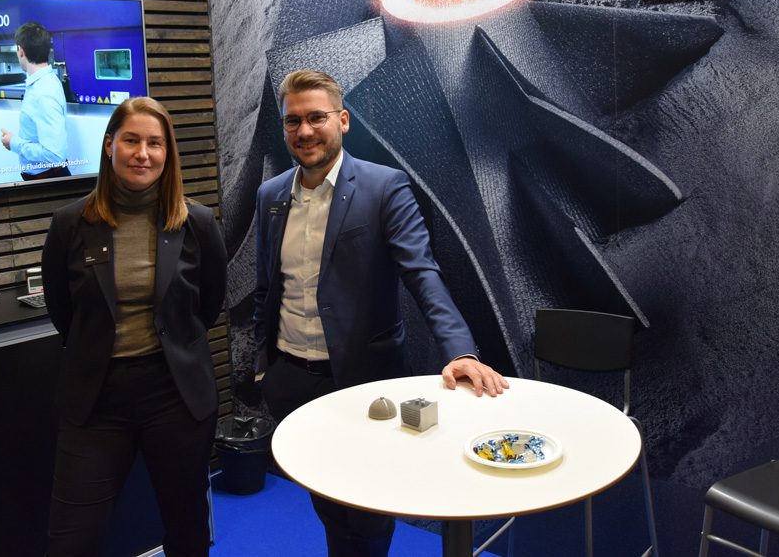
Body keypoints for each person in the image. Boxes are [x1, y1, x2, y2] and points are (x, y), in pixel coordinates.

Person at [253, 70, 509, 557]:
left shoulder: (385, 186)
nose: (304, 131)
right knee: (326, 500)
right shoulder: (271, 196)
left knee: (370, 510)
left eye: (316, 117)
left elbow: (422, 273)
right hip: (292, 382)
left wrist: (460, 351)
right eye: (292, 121)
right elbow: (268, 288)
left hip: (364, 384)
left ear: (343, 120)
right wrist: (264, 367)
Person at [41, 96, 227, 557]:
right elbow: (62, 310)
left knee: (186, 531)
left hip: (175, 394)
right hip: (96, 398)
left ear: (167, 152)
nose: (143, 153)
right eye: (131, 140)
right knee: (71, 540)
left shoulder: (197, 223)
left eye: (154, 143)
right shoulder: (69, 224)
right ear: (109, 145)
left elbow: (209, 304)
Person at [0, 21, 70, 180]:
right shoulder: (47, 80)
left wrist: (13, 143)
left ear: (21, 51)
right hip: (46, 178)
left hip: (48, 181)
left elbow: (55, 155)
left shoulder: (42, 93)